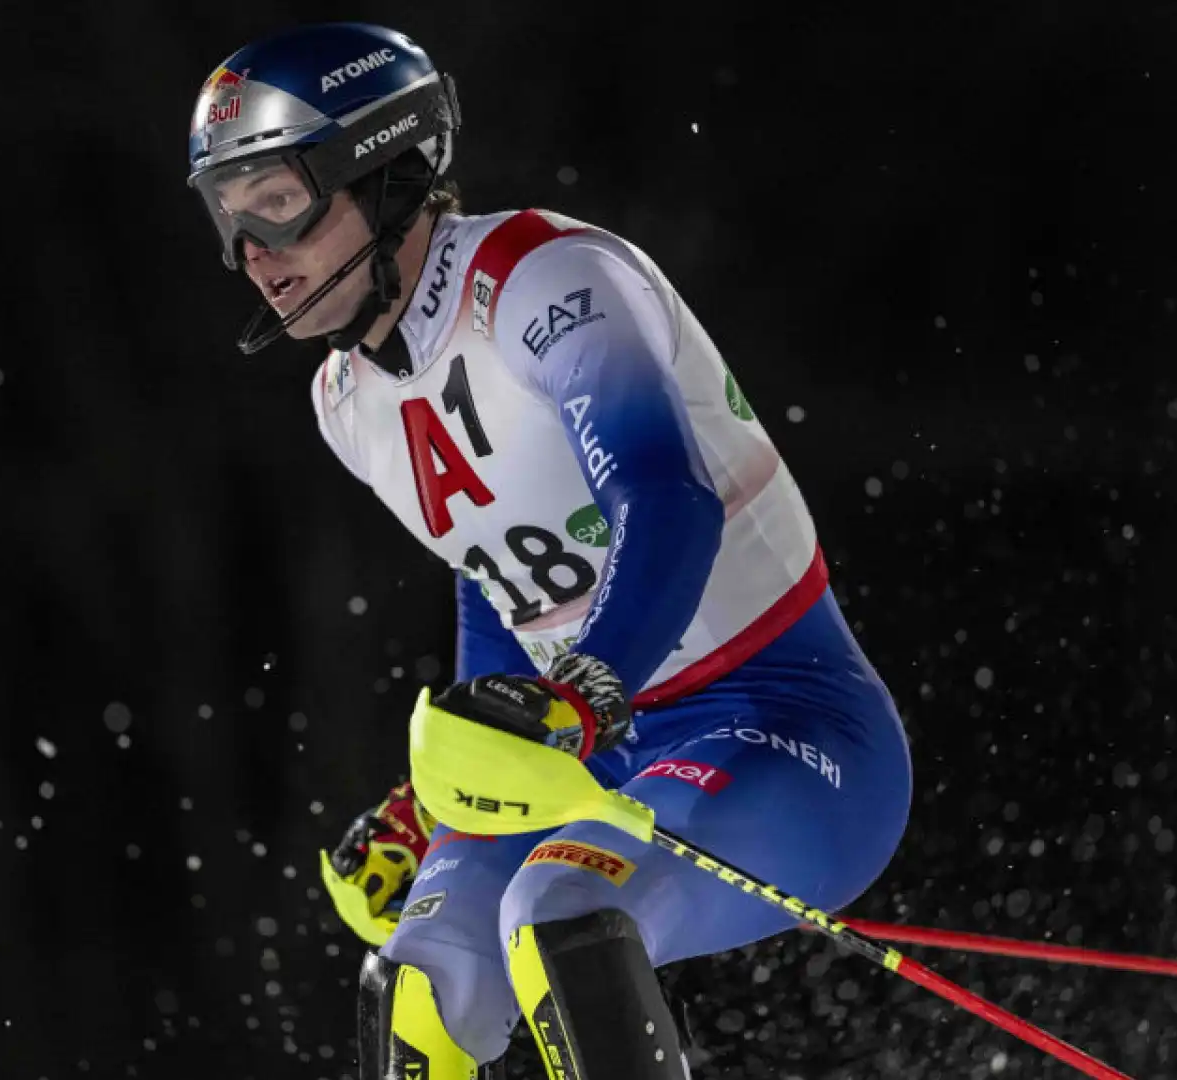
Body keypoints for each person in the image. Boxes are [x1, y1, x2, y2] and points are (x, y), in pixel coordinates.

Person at [184, 22, 914, 1079]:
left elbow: (667, 503)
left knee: (559, 916)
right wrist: (440, 794)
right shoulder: (347, 403)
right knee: (421, 986)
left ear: (386, 173)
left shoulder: (546, 278)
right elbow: (501, 590)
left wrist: (580, 694)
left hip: (783, 722)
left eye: (279, 202)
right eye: (228, 214)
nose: (254, 252)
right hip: (594, 746)